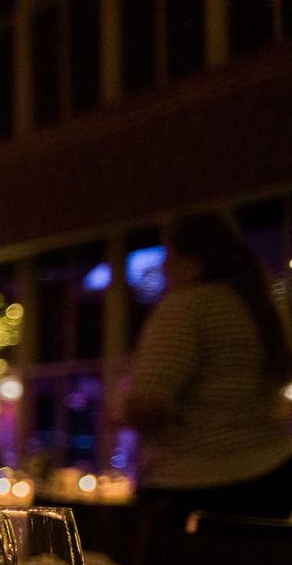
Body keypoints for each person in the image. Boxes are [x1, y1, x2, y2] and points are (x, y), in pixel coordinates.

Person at [125, 211, 292, 522]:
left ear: (190, 258)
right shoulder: (262, 305)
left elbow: (151, 406)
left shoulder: (185, 307)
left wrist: (122, 411)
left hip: (194, 483)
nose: (164, 265)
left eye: (168, 253)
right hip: (270, 475)